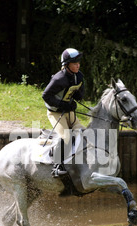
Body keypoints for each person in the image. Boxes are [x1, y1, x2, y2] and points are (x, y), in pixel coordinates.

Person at [42, 48, 85, 177]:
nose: (77, 65)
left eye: (78, 62)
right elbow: (46, 96)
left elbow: (78, 94)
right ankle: (57, 166)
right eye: (74, 63)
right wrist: (62, 105)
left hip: (69, 113)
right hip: (55, 113)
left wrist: (77, 97)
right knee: (65, 137)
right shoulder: (58, 79)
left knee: (85, 133)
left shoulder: (79, 76)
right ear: (66, 65)